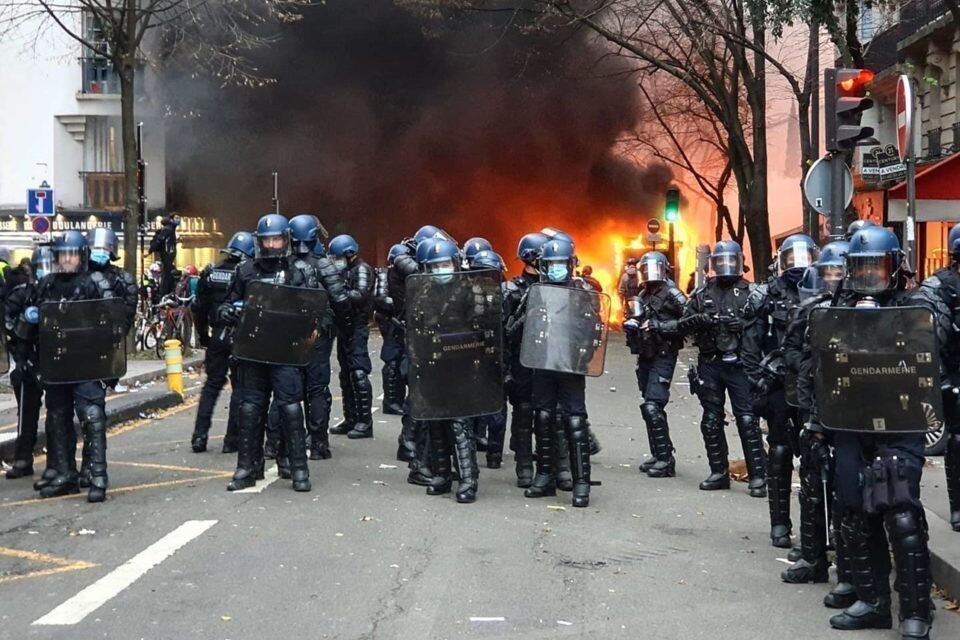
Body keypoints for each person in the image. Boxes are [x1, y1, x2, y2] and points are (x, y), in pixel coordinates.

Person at [817, 226, 938, 640]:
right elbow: (822, 362)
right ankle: (873, 602)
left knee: (899, 506)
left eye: (877, 267)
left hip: (900, 419)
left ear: (896, 266)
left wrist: (892, 330)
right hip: (852, 419)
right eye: (862, 268)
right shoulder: (840, 305)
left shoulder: (916, 303)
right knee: (853, 507)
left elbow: (932, 349)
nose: (870, 276)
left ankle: (916, 611)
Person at [219, 214, 321, 492]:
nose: (272, 244)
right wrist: (228, 312)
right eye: (267, 239)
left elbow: (316, 311)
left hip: (285, 351)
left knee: (289, 408)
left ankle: (299, 467)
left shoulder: (299, 271)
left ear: (285, 240)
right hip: (252, 350)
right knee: (250, 409)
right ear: (259, 241)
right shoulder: (246, 270)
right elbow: (226, 304)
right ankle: (247, 467)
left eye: (276, 239)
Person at [742, 234, 818, 548]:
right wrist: (760, 381)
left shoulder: (824, 289)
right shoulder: (766, 296)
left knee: (816, 456)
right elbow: (750, 347)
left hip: (813, 385)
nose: (798, 264)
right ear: (780, 261)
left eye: (804, 257)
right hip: (780, 386)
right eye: (792, 258)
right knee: (780, 453)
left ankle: (816, 533)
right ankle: (780, 524)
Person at [680, 241, 767, 498]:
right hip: (711, 362)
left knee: (748, 421)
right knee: (711, 420)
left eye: (731, 261)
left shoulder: (752, 292)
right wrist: (702, 320)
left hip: (740, 364)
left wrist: (742, 325)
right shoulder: (702, 293)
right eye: (721, 262)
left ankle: (758, 475)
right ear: (713, 265)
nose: (726, 266)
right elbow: (682, 324)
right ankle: (718, 472)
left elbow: (763, 327)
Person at [516, 237, 598, 507]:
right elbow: (514, 327)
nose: (556, 268)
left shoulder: (583, 290)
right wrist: (526, 318)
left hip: (570, 365)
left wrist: (583, 353)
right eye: (551, 264)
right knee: (542, 417)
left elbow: (594, 328)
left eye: (561, 263)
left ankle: (581, 482)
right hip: (543, 363)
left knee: (574, 421)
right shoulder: (535, 292)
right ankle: (544, 477)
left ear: (571, 264)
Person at [408, 237, 483, 503]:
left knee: (459, 424)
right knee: (435, 421)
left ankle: (468, 479)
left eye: (444, 264)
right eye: (435, 265)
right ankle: (442, 474)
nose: (441, 269)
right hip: (432, 365)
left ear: (455, 263)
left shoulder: (469, 291)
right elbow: (415, 326)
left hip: (460, 365)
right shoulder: (424, 292)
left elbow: (481, 331)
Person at [290, 214, 352, 461]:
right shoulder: (323, 264)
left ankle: (285, 444)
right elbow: (341, 300)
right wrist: (342, 327)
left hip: (287, 336)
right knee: (317, 389)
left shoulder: (283, 264)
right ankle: (318, 443)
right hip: (318, 335)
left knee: (289, 390)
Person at [623, 251, 686, 478]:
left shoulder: (673, 293)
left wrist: (660, 326)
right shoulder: (644, 293)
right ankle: (659, 453)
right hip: (647, 353)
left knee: (653, 405)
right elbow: (638, 317)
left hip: (664, 353)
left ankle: (665, 459)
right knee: (649, 405)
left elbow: (689, 320)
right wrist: (632, 323)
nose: (650, 273)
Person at [189, 231, 254, 454]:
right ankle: (231, 440)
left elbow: (198, 307)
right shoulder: (247, 274)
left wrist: (202, 335)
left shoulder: (211, 272)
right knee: (240, 387)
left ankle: (199, 436)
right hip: (240, 337)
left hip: (217, 335)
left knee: (211, 386)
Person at [917, 222, 960, 533]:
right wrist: (942, 380)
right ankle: (958, 506)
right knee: (957, 439)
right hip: (955, 373)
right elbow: (930, 340)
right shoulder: (941, 287)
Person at [502, 232, 549, 487]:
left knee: (547, 416)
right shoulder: (511, 291)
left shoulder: (555, 288)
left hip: (548, 361)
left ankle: (546, 466)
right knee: (523, 414)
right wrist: (505, 370)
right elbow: (504, 334)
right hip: (521, 362)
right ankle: (524, 467)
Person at [3, 246, 51, 480]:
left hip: (56, 360)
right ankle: (23, 459)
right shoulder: (22, 294)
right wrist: (25, 322)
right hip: (28, 359)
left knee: (58, 415)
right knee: (27, 415)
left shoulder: (59, 292)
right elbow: (8, 324)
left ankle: (58, 462)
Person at [328, 234, 375, 439]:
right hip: (344, 328)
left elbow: (360, 295)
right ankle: (351, 419)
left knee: (358, 373)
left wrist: (339, 291)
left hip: (357, 327)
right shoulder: (347, 270)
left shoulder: (362, 269)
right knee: (346, 375)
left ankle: (365, 422)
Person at [375, 244, 410, 417]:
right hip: (392, 323)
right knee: (392, 362)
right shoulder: (385, 274)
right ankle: (391, 402)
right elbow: (381, 298)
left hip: (405, 322)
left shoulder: (408, 278)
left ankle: (400, 400)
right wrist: (397, 310)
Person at [149, 213, 181, 296]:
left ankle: (165, 293)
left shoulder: (170, 229)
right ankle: (164, 294)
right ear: (171, 219)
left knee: (168, 275)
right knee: (167, 276)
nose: (179, 220)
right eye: (177, 218)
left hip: (168, 256)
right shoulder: (168, 229)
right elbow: (160, 240)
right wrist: (150, 251)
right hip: (167, 256)